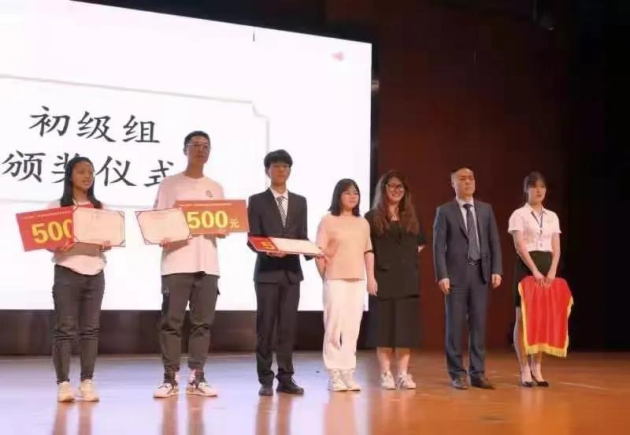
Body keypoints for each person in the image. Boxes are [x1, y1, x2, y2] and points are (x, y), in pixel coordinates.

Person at [152, 130, 226, 398]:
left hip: (208, 264)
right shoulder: (169, 184)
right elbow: (158, 221)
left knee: (202, 324)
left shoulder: (216, 187)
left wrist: (225, 226)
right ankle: (170, 378)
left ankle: (196, 378)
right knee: (172, 323)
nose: (201, 149)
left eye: (206, 146)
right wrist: (162, 233)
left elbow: (223, 225)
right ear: (185, 150)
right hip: (176, 262)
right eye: (195, 145)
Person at [432, 166, 502, 390]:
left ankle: (478, 373)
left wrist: (496, 269)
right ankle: (457, 373)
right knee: (455, 326)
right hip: (455, 276)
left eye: (471, 178)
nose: (468, 182)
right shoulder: (445, 211)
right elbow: (438, 246)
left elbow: (494, 241)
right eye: (462, 179)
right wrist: (442, 275)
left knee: (478, 326)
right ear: (453, 184)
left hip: (480, 274)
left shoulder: (485, 210)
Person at [247, 149, 310, 396]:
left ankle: (286, 378)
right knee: (265, 328)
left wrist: (313, 252)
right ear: (267, 170)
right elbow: (253, 238)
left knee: (287, 327)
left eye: (285, 166)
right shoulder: (257, 200)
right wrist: (268, 251)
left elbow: (302, 236)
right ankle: (265, 379)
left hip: (292, 273)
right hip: (267, 273)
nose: (281, 170)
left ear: (290, 171)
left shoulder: (300, 201)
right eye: (276, 166)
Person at [50, 156, 109, 402]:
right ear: (70, 175)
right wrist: (56, 244)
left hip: (95, 272)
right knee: (64, 330)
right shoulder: (57, 206)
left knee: (90, 330)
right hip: (67, 271)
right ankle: (64, 384)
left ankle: (87, 382)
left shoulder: (100, 207)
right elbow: (47, 241)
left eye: (91, 172)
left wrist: (108, 242)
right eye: (81, 171)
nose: (87, 176)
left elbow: (109, 238)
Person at [365, 170, 427, 390]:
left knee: (405, 331)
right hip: (383, 278)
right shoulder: (372, 217)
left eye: (400, 187)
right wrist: (371, 276)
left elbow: (420, 242)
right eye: (391, 186)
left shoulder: (410, 215)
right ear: (383, 189)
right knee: (384, 329)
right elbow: (367, 249)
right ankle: (385, 373)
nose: (396, 190)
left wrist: (405, 259)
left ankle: (402, 374)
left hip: (407, 279)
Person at [316, 179, 376, 392]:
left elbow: (368, 251)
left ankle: (348, 371)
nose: (352, 196)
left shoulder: (363, 222)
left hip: (356, 280)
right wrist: (325, 277)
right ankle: (334, 373)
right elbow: (319, 252)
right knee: (334, 326)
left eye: (355, 193)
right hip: (335, 279)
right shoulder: (327, 221)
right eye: (347, 192)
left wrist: (371, 277)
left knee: (352, 328)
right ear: (338, 195)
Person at [508, 171, 561, 387]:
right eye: (534, 186)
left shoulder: (552, 216)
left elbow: (556, 247)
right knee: (523, 318)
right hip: (527, 267)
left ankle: (537, 367)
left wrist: (552, 271)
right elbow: (519, 246)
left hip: (547, 268)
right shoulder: (519, 214)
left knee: (542, 319)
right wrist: (534, 270)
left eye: (542, 187)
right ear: (526, 190)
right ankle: (524, 369)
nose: (538, 190)